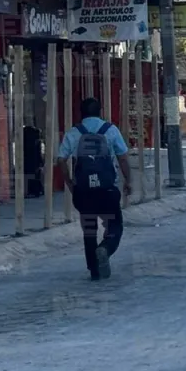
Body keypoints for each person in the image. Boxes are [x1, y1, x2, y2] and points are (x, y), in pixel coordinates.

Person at [56, 98, 133, 281]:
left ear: (80, 113)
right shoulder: (111, 130)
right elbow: (122, 158)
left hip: (83, 191)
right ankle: (105, 248)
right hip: (107, 190)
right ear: (101, 111)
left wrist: (69, 183)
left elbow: (60, 160)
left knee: (89, 229)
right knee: (115, 225)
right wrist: (128, 181)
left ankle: (94, 270)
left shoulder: (74, 132)